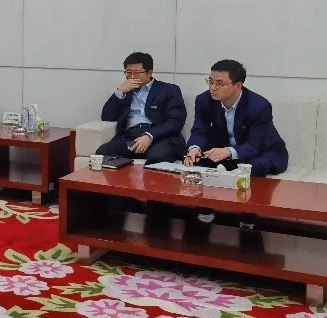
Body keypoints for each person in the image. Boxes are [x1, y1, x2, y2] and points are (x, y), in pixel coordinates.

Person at [184, 59, 288, 227]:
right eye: (210, 81)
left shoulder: (259, 106)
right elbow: (199, 131)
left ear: (238, 86)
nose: (212, 87)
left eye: (219, 83)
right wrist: (194, 148)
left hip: (263, 152)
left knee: (251, 167)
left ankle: (247, 219)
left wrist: (228, 151)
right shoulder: (204, 100)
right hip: (224, 151)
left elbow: (256, 144)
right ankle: (204, 213)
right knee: (196, 161)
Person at [95, 52, 186, 163]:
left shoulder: (169, 90)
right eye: (128, 72)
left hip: (160, 138)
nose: (132, 77)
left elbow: (176, 121)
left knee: (157, 157)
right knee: (103, 152)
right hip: (131, 138)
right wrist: (119, 92)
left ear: (149, 73)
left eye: (137, 73)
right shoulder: (124, 92)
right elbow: (106, 117)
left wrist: (149, 136)